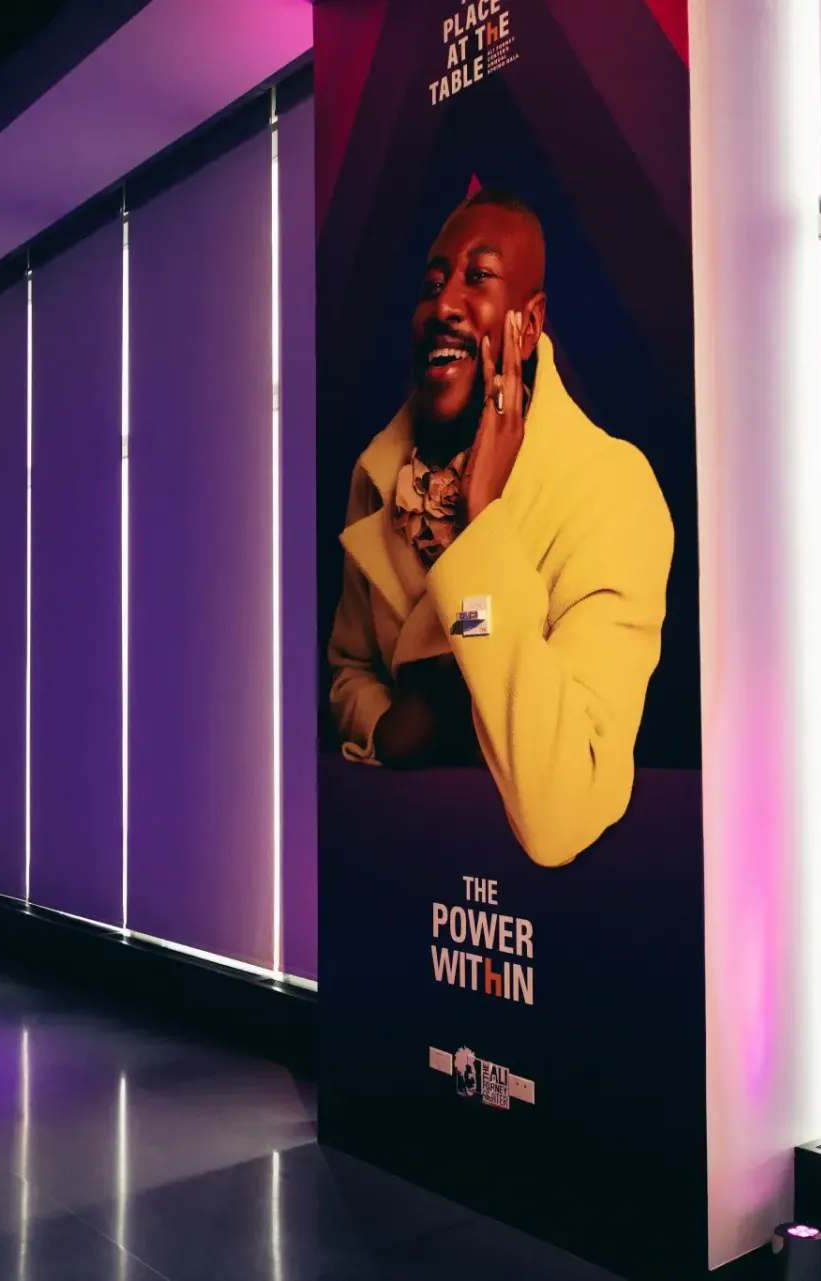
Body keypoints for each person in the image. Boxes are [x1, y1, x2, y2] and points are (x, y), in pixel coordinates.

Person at [327, 189, 675, 868]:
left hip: (551, 930)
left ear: (528, 321)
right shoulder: (376, 479)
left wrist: (482, 522)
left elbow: (562, 811)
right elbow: (348, 669)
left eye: (478, 277)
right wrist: (388, 727)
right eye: (432, 284)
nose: (445, 305)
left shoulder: (610, 488)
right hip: (397, 893)